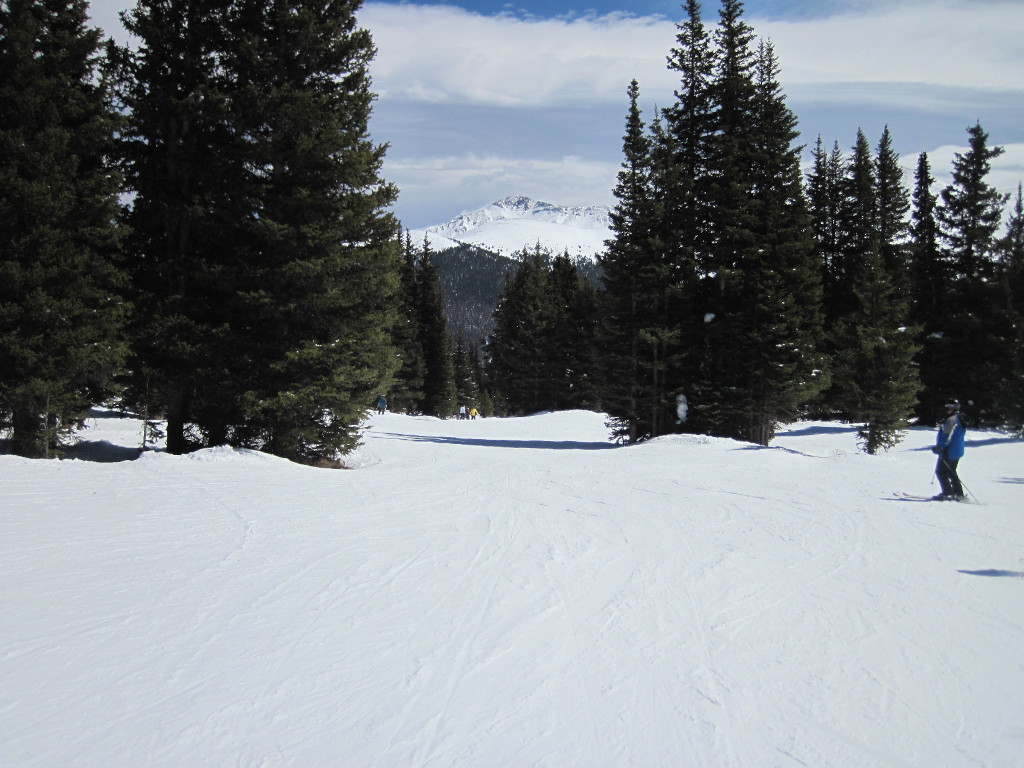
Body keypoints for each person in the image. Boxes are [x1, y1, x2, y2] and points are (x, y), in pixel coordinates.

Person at [932, 399, 966, 501]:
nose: (947, 409)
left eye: (949, 407)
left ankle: (947, 493)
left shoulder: (951, 420)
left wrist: (940, 447)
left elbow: (947, 435)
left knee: (941, 472)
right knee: (951, 471)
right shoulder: (959, 418)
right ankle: (958, 493)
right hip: (957, 450)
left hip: (949, 450)